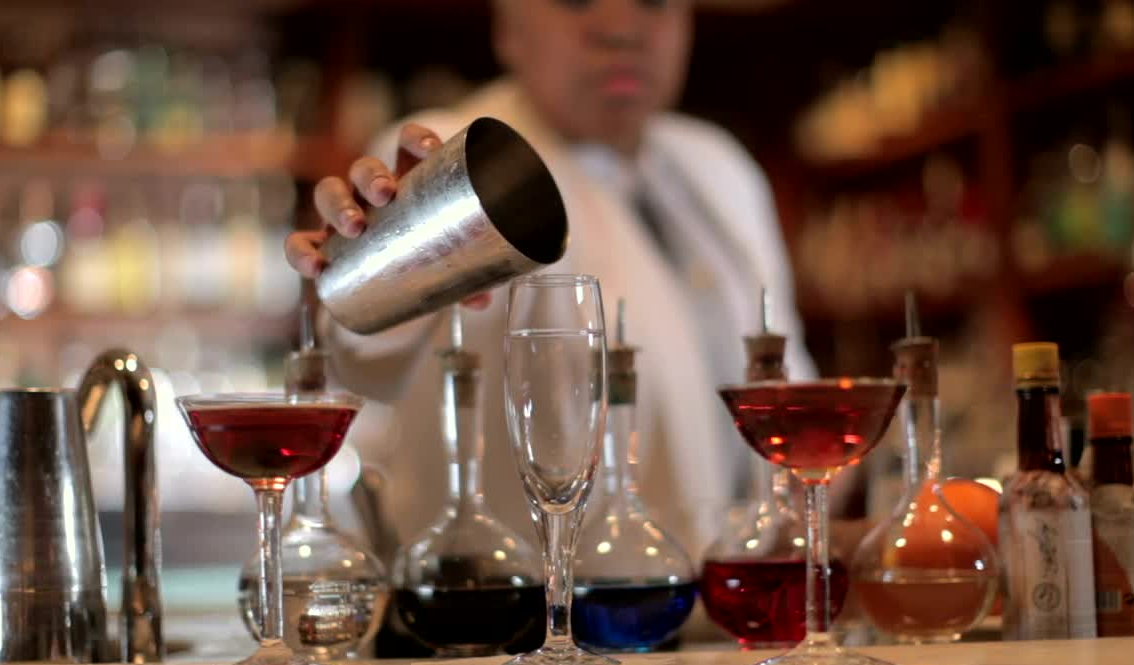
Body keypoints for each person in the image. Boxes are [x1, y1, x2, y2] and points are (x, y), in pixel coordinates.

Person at [284, 0, 816, 559]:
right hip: (513, 621)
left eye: (654, 2)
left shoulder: (723, 168)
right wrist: (368, 262)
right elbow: (364, 361)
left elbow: (787, 385)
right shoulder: (452, 155)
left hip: (730, 614)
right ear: (507, 28)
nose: (620, 27)